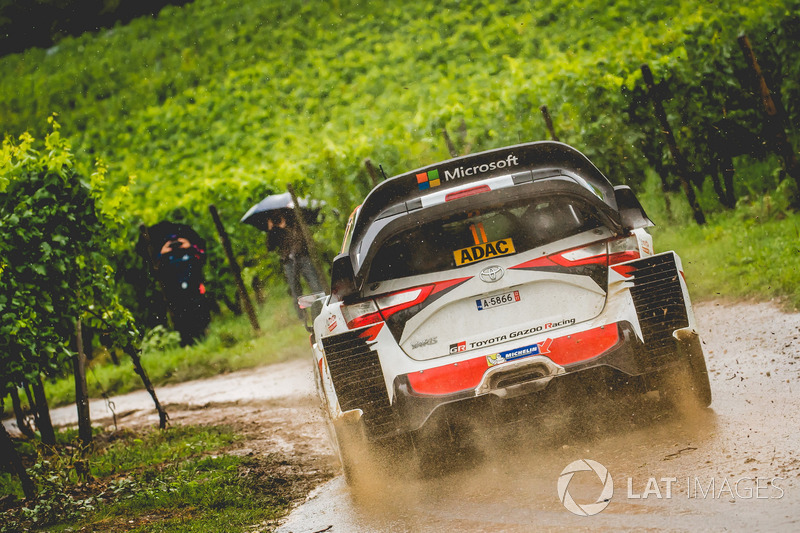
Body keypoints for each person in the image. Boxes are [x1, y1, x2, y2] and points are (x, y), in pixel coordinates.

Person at [266, 212, 324, 318]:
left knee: (315, 284)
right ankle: (302, 316)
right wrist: (271, 230)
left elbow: (300, 238)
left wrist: (286, 227)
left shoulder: (295, 222)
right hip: (288, 261)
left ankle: (323, 308)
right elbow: (270, 247)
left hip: (303, 257)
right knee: (295, 289)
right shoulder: (275, 231)